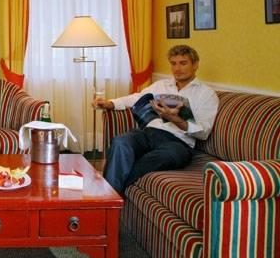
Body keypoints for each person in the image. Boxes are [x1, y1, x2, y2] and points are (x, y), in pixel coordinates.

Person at [93, 45, 219, 194]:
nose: (177, 69)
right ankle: (111, 196)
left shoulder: (206, 94)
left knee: (171, 155)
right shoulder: (161, 85)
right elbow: (137, 98)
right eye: (173, 63)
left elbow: (204, 132)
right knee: (120, 142)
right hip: (149, 133)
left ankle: (112, 192)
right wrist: (110, 103)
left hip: (178, 142)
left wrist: (175, 119)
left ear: (195, 64)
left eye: (183, 63)